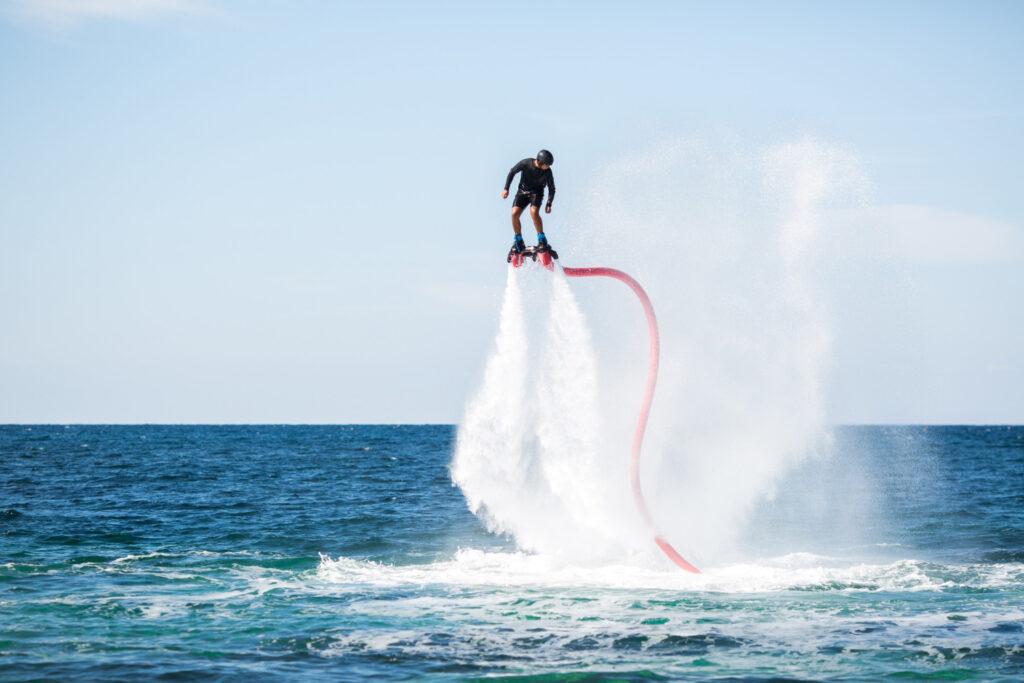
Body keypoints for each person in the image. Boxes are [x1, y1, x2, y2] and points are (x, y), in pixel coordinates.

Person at [501, 149, 555, 255]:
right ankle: (518, 240)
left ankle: (541, 239)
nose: (549, 167)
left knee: (534, 212)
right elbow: (512, 171)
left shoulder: (548, 172)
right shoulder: (526, 163)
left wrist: (549, 203)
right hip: (522, 192)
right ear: (540, 162)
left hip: (536, 193)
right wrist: (506, 188)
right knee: (514, 214)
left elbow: (552, 188)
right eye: (547, 164)